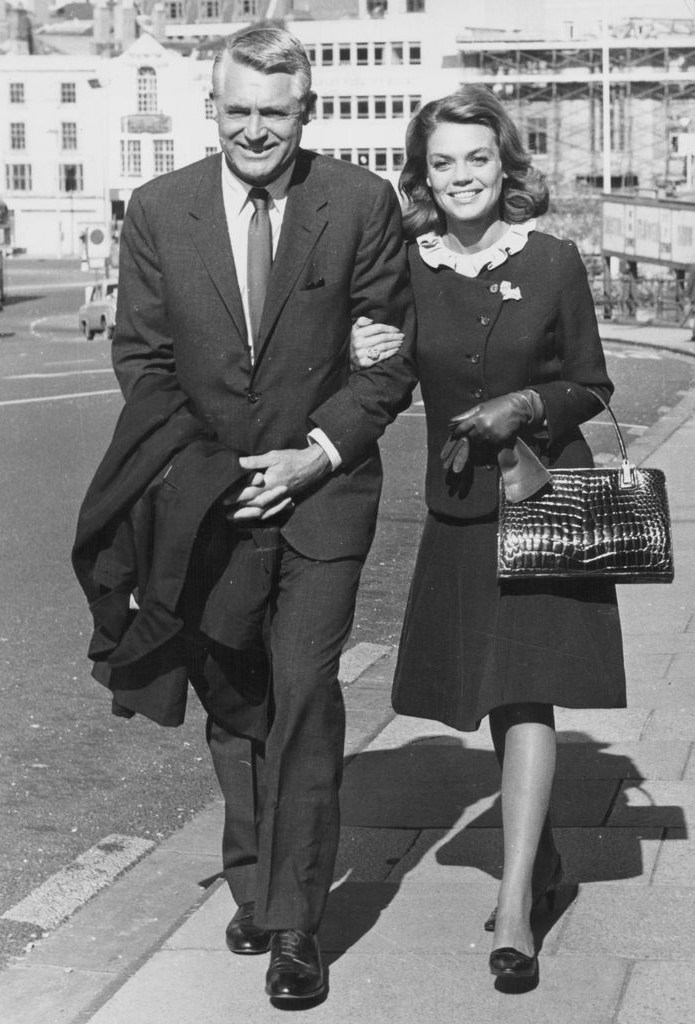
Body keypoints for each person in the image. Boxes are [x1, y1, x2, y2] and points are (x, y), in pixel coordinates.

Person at [73, 23, 415, 1004]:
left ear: (304, 112)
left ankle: (297, 921)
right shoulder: (157, 209)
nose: (255, 131)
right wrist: (218, 474)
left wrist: (315, 454)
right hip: (209, 499)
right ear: (212, 108)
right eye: (239, 111)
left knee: (303, 689)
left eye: (276, 112)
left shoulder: (358, 205)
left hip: (324, 498)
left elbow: (382, 356)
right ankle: (253, 876)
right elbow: (142, 363)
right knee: (229, 689)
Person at [350, 85, 626, 986]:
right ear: (421, 175)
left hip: (544, 494)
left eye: (477, 158)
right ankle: (537, 858)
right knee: (496, 701)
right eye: (443, 162)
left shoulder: (550, 259)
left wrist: (527, 403)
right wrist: (360, 347)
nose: (461, 175)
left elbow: (589, 383)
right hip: (462, 507)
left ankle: (514, 906)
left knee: (529, 690)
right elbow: (378, 363)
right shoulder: (403, 262)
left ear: (504, 165)